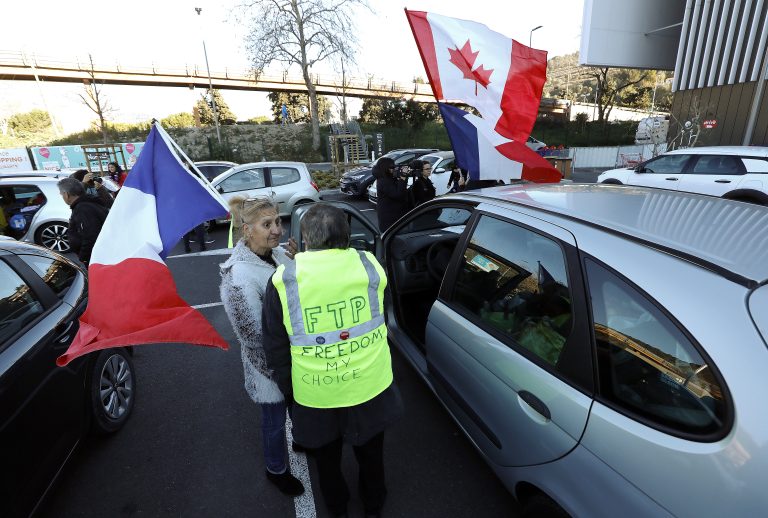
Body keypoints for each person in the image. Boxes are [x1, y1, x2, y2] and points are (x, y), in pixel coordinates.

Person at [263, 203, 403, 518]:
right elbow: (382, 310)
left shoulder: (285, 278)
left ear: (306, 240)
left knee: (327, 461)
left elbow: (274, 343)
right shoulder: (370, 264)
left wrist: (290, 390)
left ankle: (337, 509)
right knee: (371, 455)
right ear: (347, 237)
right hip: (370, 385)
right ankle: (373, 505)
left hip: (316, 393)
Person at [218, 195, 304, 497]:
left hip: (294, 357)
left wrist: (297, 261)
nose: (277, 230)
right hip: (268, 367)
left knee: (297, 409)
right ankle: (276, 469)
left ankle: (300, 440)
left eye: (278, 221)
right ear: (247, 230)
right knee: (274, 421)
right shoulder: (238, 275)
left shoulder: (278, 254)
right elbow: (252, 337)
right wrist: (280, 373)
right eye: (266, 224)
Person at [57, 177, 109, 266]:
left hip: (96, 259)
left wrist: (84, 257)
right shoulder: (88, 203)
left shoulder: (83, 209)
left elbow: (91, 237)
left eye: (61, 194)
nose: (63, 197)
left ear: (66, 194)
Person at [374, 157, 410, 232]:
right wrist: (403, 176)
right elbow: (397, 194)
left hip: (394, 215)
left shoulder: (388, 178)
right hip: (389, 218)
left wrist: (403, 177)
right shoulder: (383, 181)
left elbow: (401, 190)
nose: (394, 169)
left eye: (394, 166)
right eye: (392, 167)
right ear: (385, 168)